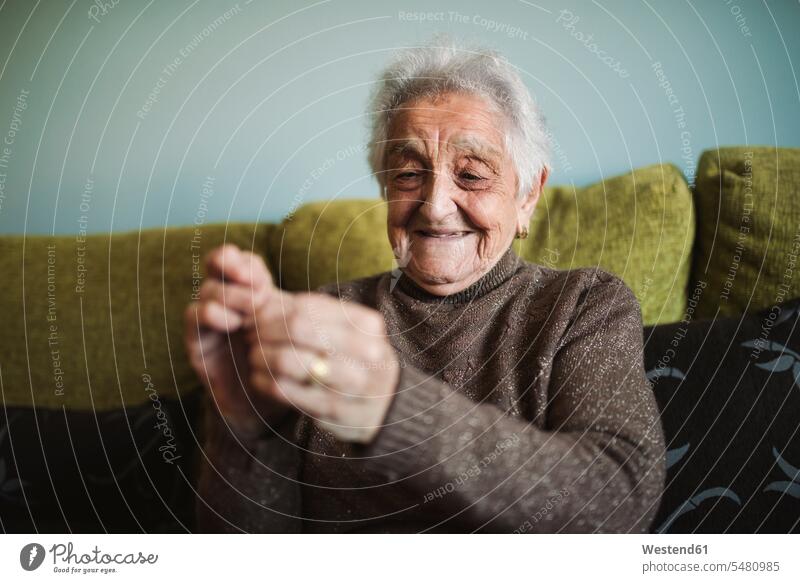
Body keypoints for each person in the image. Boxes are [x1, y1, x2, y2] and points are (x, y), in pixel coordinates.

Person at [184, 38, 666, 533]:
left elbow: (619, 500)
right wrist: (247, 428)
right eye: (410, 173)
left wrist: (389, 405)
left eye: (472, 174)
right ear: (384, 188)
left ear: (527, 195)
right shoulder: (322, 321)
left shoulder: (583, 304)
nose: (435, 206)